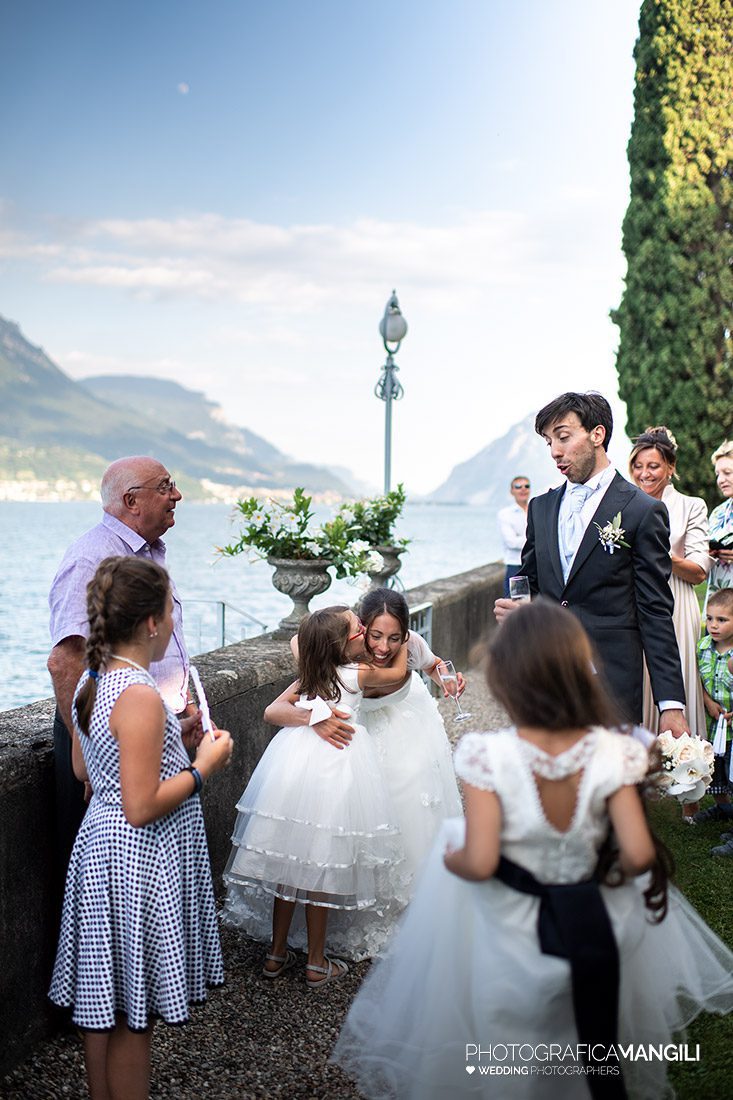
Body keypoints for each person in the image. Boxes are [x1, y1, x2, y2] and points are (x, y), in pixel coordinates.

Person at [332, 600, 733, 1100]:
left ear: (504, 680)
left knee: (512, 1043)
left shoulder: (486, 755)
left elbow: (479, 862)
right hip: (593, 920)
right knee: (588, 1038)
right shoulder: (618, 750)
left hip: (513, 926)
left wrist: (450, 853)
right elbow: (637, 856)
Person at [49, 557, 233, 1100]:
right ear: (151, 622)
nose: (174, 623)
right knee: (135, 1012)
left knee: (103, 1000)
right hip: (139, 858)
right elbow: (142, 805)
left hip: (98, 848)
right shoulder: (141, 694)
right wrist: (204, 767)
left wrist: (170, 735)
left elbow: (86, 770)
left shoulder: (93, 679)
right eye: (171, 612)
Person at [223, 606, 410, 979]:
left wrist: (313, 707)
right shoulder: (359, 674)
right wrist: (404, 641)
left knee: (289, 863)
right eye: (361, 628)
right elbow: (400, 675)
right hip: (337, 771)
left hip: (295, 767)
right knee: (321, 864)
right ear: (346, 643)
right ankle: (315, 961)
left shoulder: (312, 673)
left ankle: (276, 954)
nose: (366, 631)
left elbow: (279, 696)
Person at [494, 391, 687, 732]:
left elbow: (655, 611)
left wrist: (670, 704)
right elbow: (529, 582)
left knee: (611, 783)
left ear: (597, 435)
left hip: (611, 686)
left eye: (563, 437)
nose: (555, 452)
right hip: (545, 680)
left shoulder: (642, 511)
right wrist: (519, 610)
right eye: (549, 442)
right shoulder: (540, 508)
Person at [47, 456, 200, 885]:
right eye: (166, 486)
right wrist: (96, 761)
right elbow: (65, 661)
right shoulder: (90, 557)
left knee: (149, 875)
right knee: (105, 880)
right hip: (108, 742)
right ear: (132, 500)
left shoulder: (146, 552)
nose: (177, 495)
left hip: (145, 730)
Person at [265, 588, 464, 898]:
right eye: (375, 635)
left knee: (411, 789)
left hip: (405, 722)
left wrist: (448, 680)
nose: (383, 647)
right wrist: (317, 715)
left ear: (405, 633)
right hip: (357, 736)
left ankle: (412, 892)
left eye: (394, 637)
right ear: (360, 627)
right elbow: (298, 649)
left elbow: (434, 665)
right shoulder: (339, 656)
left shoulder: (412, 645)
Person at [628, 427, 709, 780]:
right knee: (639, 680)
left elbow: (700, 570)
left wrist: (660, 555)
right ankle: (645, 770)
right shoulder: (624, 505)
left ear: (671, 467)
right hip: (632, 603)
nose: (645, 474)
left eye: (654, 466)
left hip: (676, 602)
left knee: (677, 684)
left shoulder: (692, 506)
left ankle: (688, 770)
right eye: (638, 466)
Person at [693, 588, 733, 842]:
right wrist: (707, 701)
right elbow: (699, 679)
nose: (713, 625)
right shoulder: (703, 647)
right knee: (716, 772)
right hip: (714, 726)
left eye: (722, 620)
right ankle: (723, 807)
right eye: (709, 618)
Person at [706, 439, 733, 605]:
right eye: (718, 474)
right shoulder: (717, 513)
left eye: (727, 472)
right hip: (718, 604)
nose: (720, 480)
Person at [497, 475, 531, 596]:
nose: (523, 489)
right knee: (515, 606)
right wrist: (534, 540)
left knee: (535, 607)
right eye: (518, 486)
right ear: (512, 491)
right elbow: (511, 542)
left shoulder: (535, 510)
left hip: (535, 566)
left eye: (526, 486)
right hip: (516, 567)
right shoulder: (505, 514)